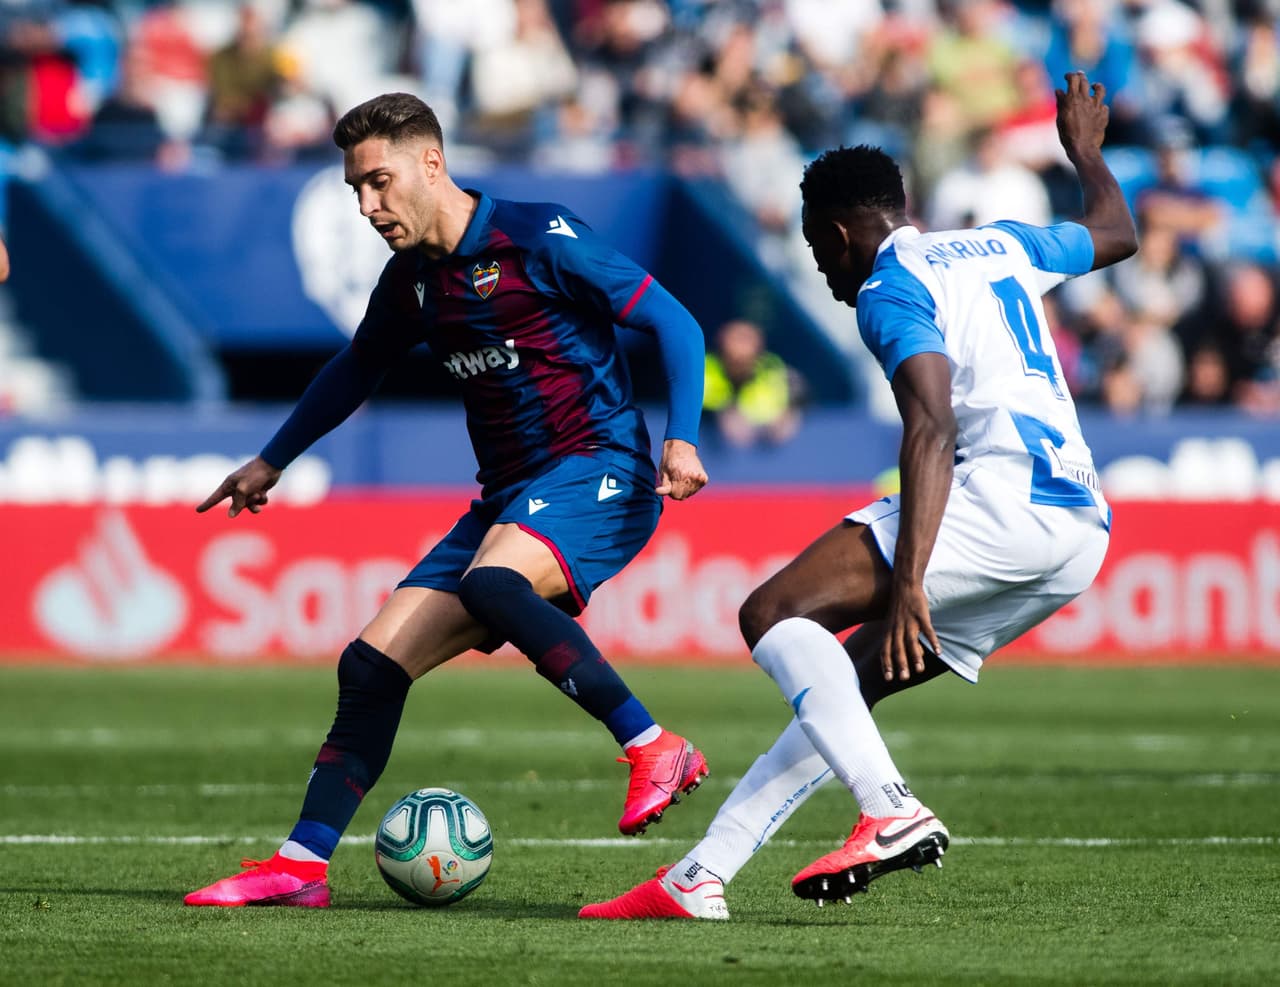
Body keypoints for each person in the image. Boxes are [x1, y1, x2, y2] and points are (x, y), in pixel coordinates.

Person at [580, 70, 1137, 920]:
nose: (824, 271)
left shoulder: (888, 286)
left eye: (817, 251)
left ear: (840, 234)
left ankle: (890, 808)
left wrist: (908, 581)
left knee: (772, 612)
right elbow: (1116, 232)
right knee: (843, 685)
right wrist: (1087, 154)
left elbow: (931, 426)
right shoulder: (1000, 245)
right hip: (1079, 530)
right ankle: (700, 875)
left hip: (1001, 496)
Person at [186, 92, 711, 908]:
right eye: (356, 189)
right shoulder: (413, 282)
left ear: (431, 164)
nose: (368, 206)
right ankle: (300, 867)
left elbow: (675, 321)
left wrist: (682, 437)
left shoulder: (538, 237)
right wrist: (271, 460)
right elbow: (358, 367)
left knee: (493, 583)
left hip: (599, 468)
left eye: (380, 182)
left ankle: (653, 744)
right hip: (508, 497)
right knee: (370, 664)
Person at [703, 319, 805, 448]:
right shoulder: (701, 368)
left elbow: (789, 416)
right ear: (721, 341)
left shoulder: (775, 373)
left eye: (746, 339)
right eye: (736, 338)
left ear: (759, 345)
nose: (740, 348)